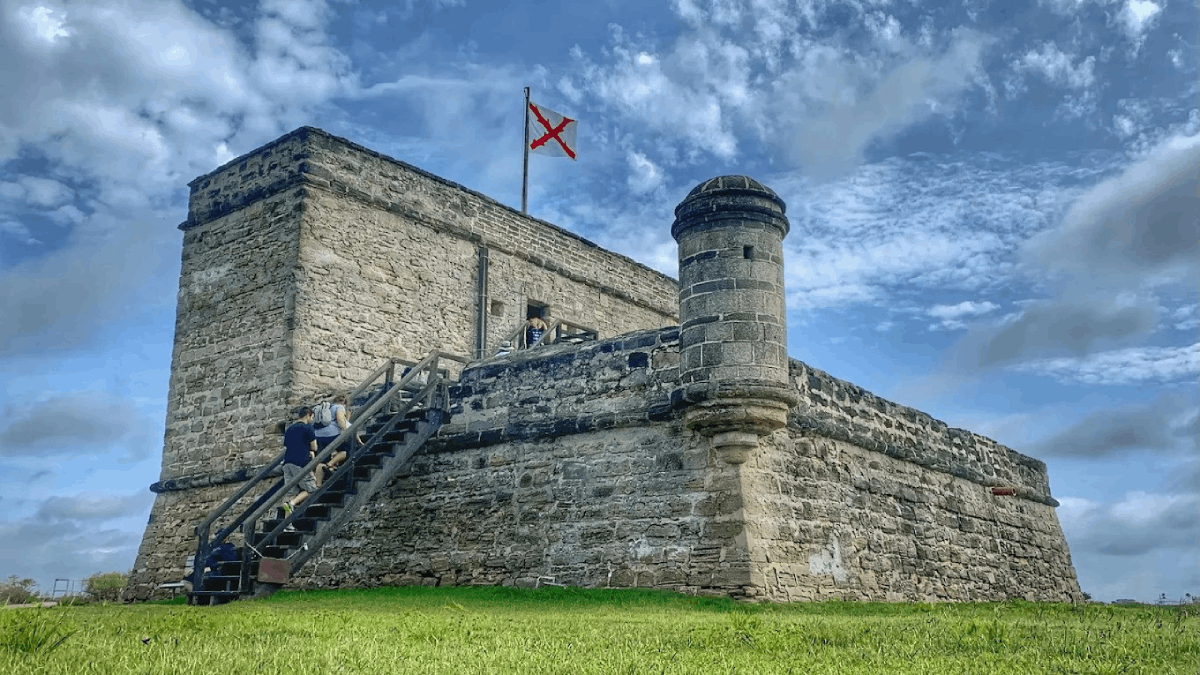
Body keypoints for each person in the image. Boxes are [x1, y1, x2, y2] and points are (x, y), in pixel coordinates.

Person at [312, 394, 362, 484]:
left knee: (322, 458)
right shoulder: (340, 407)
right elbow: (340, 421)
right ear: (345, 402)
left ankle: (318, 485)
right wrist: (346, 431)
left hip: (318, 435)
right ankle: (332, 464)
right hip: (332, 434)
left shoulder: (328, 407)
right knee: (345, 451)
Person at [281, 407, 318, 523]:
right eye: (312, 417)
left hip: (287, 463)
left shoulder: (289, 429)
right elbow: (314, 447)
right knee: (312, 489)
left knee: (291, 493)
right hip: (301, 462)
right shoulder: (308, 428)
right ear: (308, 415)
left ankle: (287, 524)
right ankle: (292, 503)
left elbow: (287, 445)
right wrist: (311, 452)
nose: (311, 420)